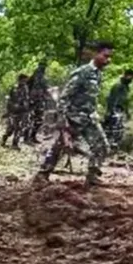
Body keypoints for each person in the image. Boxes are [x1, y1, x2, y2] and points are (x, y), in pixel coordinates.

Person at [37, 41, 115, 187]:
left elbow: (90, 97)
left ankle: (92, 176)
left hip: (89, 118)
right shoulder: (83, 72)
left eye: (110, 57)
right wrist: (62, 122)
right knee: (59, 148)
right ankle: (43, 174)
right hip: (73, 118)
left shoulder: (98, 74)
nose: (108, 60)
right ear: (96, 54)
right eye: (105, 56)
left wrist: (95, 112)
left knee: (102, 146)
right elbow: (64, 97)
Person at [103, 69, 133, 151]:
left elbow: (125, 100)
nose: (131, 79)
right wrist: (110, 111)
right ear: (125, 75)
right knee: (113, 129)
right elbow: (111, 99)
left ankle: (114, 146)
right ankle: (109, 146)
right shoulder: (118, 85)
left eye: (132, 78)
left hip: (120, 109)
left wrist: (127, 112)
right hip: (115, 109)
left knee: (119, 130)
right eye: (130, 77)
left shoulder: (126, 87)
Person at [1, 74, 30, 149]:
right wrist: (8, 111)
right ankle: (4, 140)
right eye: (24, 80)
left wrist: (27, 108)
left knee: (19, 128)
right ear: (20, 80)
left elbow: (26, 99)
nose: (25, 82)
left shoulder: (25, 88)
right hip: (14, 111)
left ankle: (15, 144)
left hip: (22, 111)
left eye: (26, 80)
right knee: (11, 129)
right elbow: (9, 100)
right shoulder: (14, 88)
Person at [25, 61, 49, 143]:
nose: (42, 68)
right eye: (41, 66)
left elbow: (46, 89)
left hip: (39, 101)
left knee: (38, 119)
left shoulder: (41, 77)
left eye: (44, 66)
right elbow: (27, 85)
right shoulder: (35, 76)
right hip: (33, 101)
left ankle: (31, 137)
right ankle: (27, 137)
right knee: (32, 119)